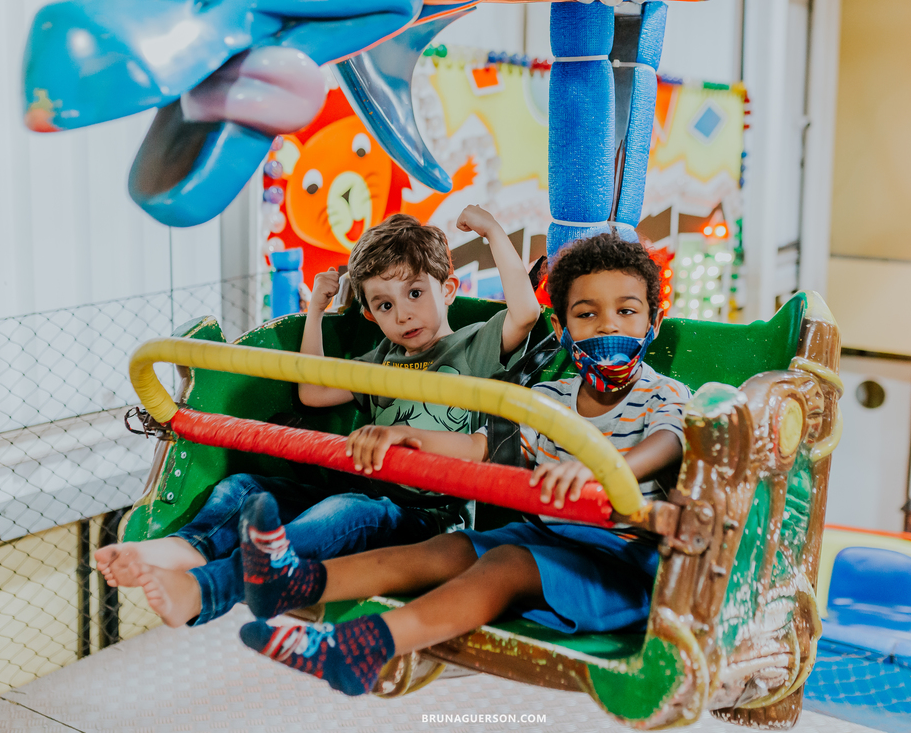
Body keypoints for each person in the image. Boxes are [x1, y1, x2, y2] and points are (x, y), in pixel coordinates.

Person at [227, 234, 691, 697]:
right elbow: (481, 446)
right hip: (549, 540)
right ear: (562, 325)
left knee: (505, 562)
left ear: (653, 321)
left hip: (620, 561)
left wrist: (600, 471)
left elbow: (668, 443)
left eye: (626, 311)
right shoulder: (550, 399)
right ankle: (293, 581)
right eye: (587, 314)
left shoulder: (662, 394)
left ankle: (362, 648)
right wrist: (409, 436)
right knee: (447, 550)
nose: (608, 326)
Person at [97, 207, 541, 627]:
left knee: (341, 511)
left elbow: (526, 313)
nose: (403, 313)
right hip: (369, 495)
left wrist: (492, 231)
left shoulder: (473, 346)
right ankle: (182, 550)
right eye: (384, 305)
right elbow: (313, 391)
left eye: (415, 293)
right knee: (244, 488)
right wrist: (315, 310)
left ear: (447, 289)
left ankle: (204, 590)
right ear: (370, 315)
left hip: (432, 519)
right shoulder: (383, 360)